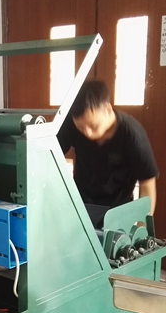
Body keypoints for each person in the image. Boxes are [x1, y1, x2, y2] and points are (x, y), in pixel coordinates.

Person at [57, 80, 159, 214]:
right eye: (81, 128)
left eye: (93, 126)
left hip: (118, 209)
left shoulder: (132, 135)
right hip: (81, 204)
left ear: (108, 110)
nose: (88, 133)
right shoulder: (71, 123)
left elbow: (147, 183)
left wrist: (142, 222)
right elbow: (50, 154)